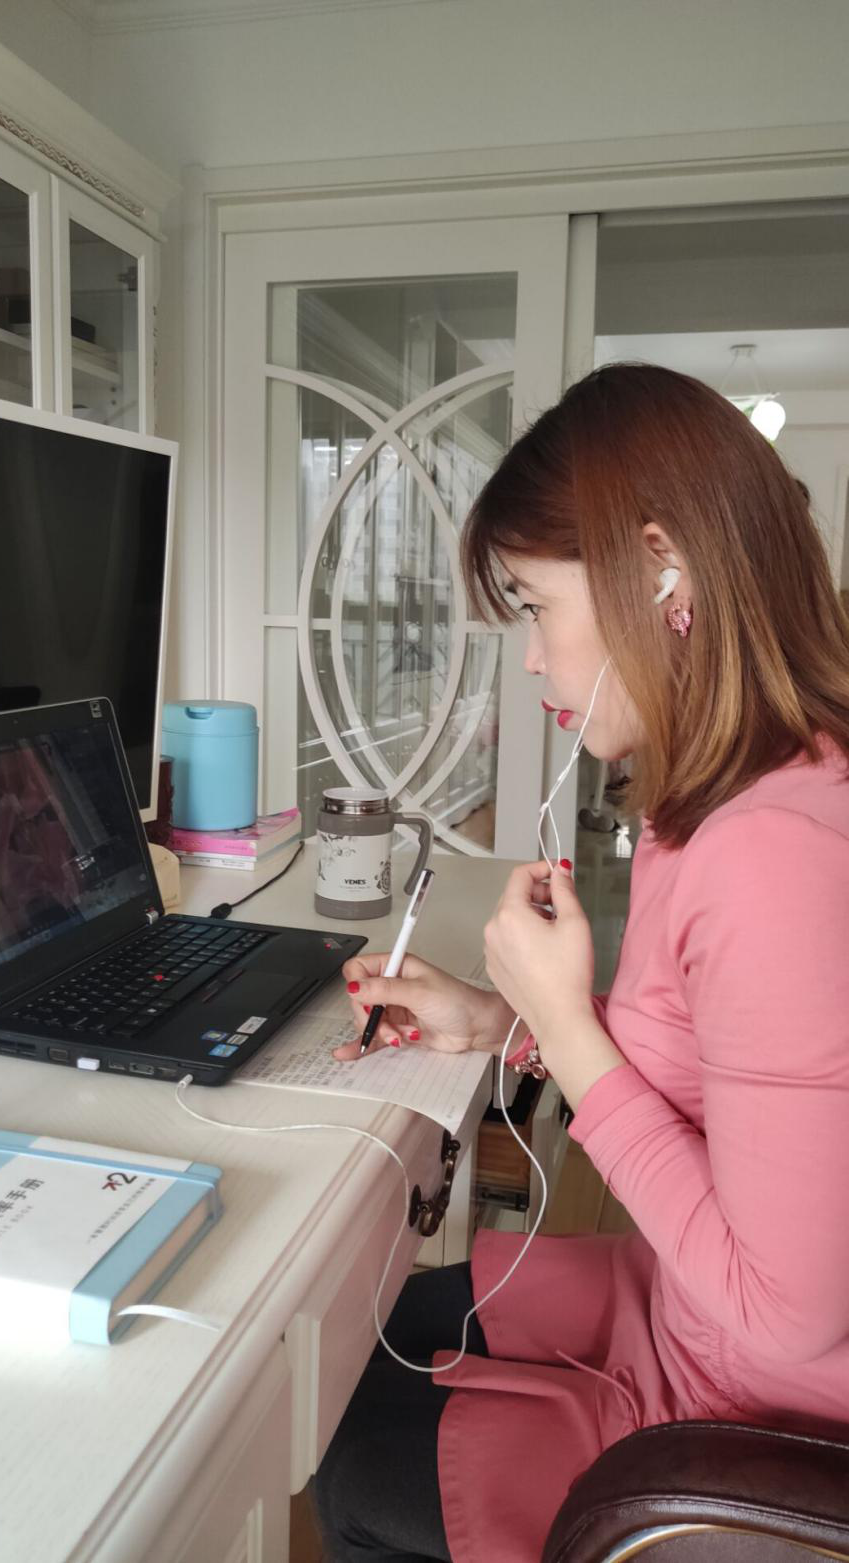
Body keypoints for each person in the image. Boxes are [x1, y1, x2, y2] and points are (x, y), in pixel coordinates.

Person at [312, 363, 849, 1563]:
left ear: (662, 571)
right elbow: (730, 1069)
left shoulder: (773, 856)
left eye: (536, 606)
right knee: (366, 1335)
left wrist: (565, 1030)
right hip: (680, 1318)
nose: (532, 661)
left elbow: (784, 1317)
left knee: (352, 1464)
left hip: (745, 1416)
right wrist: (501, 1022)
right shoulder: (726, 797)